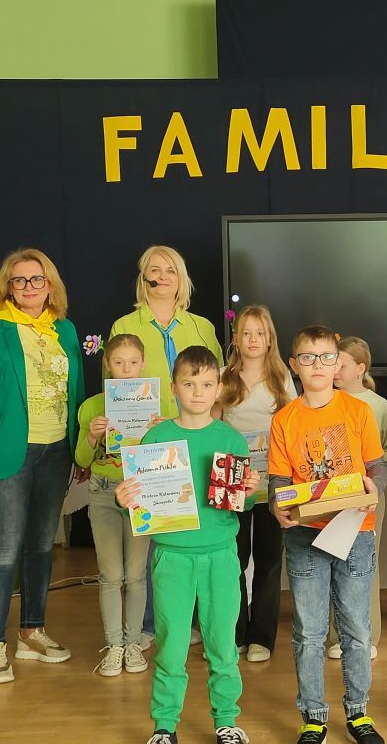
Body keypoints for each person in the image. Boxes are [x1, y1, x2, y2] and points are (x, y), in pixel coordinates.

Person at [115, 346, 258, 744]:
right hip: (171, 557)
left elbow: (241, 503)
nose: (198, 392)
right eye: (190, 384)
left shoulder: (230, 439)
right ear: (174, 387)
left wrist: (249, 492)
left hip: (220, 555)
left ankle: (226, 720)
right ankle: (165, 726)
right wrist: (124, 498)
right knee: (171, 645)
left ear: (219, 388)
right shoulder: (156, 438)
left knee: (222, 644)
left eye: (207, 384)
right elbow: (139, 499)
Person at [0, 247, 85, 684]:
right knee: (4, 550)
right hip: (7, 455)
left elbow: (77, 393)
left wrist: (81, 451)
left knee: (40, 546)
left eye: (37, 279)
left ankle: (31, 632)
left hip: (57, 451)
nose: (29, 287)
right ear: (8, 287)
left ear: (50, 286)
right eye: (20, 280)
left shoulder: (65, 329)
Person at [268, 325, 387, 744]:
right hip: (304, 536)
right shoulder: (284, 419)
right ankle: (313, 716)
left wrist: (376, 487)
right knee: (309, 632)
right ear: (294, 365)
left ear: (338, 363)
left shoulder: (358, 411)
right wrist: (277, 506)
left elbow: (377, 465)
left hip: (355, 531)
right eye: (307, 358)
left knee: (356, 629)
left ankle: (358, 713)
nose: (317, 365)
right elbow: (279, 480)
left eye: (325, 357)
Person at [110, 244, 224, 645]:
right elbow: (118, 388)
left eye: (170, 270)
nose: (161, 276)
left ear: (181, 279)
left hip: (195, 437)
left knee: (192, 528)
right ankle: (149, 625)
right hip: (149, 445)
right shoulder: (126, 324)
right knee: (153, 535)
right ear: (143, 278)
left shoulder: (202, 327)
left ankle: (192, 621)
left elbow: (216, 383)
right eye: (154, 270)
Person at [216, 305, 297, 663]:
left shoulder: (282, 379)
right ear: (236, 339)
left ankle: (262, 637)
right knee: (232, 559)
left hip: (271, 482)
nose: (252, 339)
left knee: (268, 561)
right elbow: (212, 425)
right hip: (231, 481)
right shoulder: (224, 377)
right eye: (246, 333)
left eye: (259, 333)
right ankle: (235, 634)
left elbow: (293, 426)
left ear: (269, 340)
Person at [74, 333, 153, 677]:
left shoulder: (155, 405)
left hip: (139, 492)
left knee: (136, 574)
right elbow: (81, 459)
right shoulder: (92, 407)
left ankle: (133, 643)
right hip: (104, 492)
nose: (126, 369)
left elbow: (166, 456)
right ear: (108, 364)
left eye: (133, 362)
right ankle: (114, 645)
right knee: (111, 575)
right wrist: (92, 436)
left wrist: (160, 431)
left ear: (143, 364)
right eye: (119, 363)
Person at [326, 335, 387, 660]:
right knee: (332, 558)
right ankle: (337, 636)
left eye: (341, 364)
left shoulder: (378, 406)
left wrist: (373, 477)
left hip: (368, 496)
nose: (335, 370)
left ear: (360, 368)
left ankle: (367, 636)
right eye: (332, 363)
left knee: (364, 563)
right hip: (331, 496)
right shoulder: (324, 400)